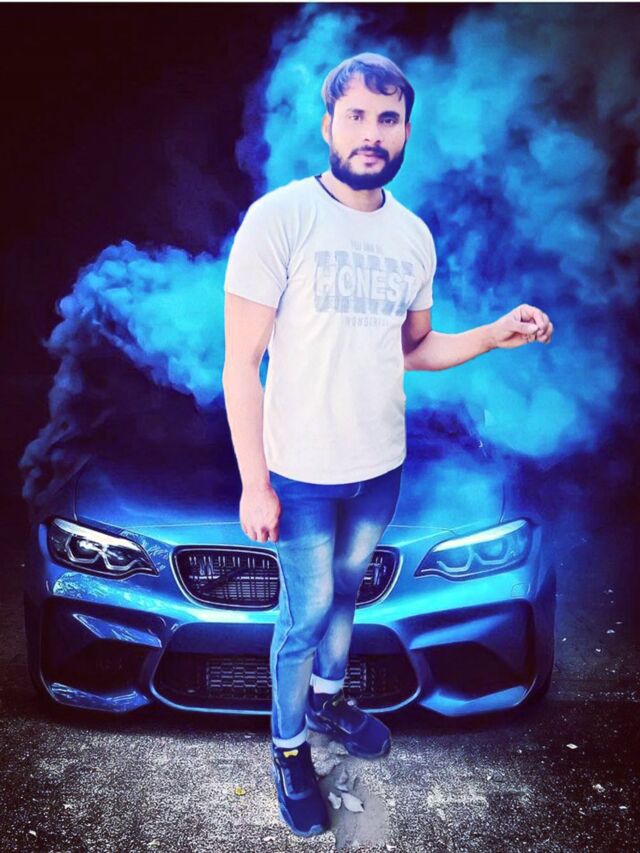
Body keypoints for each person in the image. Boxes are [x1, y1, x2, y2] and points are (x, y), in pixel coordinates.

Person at [222, 52, 553, 837]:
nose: (372, 132)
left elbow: (414, 348)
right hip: (300, 473)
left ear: (405, 131)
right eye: (357, 116)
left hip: (378, 466)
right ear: (328, 124)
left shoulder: (411, 236)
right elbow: (240, 363)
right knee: (304, 615)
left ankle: (330, 699)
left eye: (388, 118)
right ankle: (288, 747)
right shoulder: (280, 218)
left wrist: (493, 334)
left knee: (346, 588)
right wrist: (254, 481)